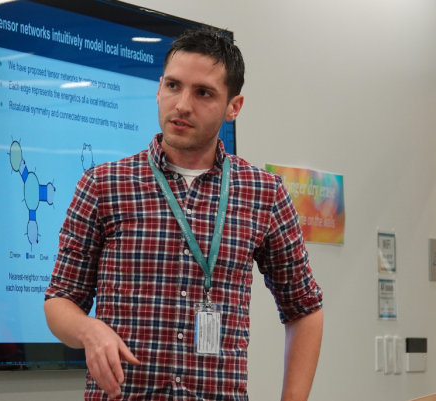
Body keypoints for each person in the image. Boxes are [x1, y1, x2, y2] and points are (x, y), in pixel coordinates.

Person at [44, 27, 323, 401]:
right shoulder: (103, 184)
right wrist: (88, 329)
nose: (182, 105)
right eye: (173, 86)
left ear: (233, 107)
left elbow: (304, 308)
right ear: (159, 89)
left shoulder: (264, 193)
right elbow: (60, 300)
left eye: (203, 93)